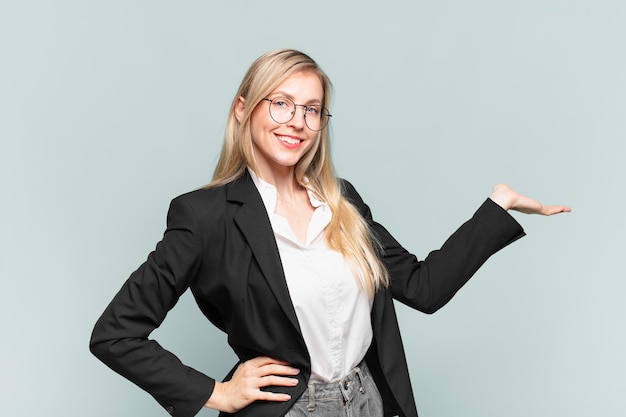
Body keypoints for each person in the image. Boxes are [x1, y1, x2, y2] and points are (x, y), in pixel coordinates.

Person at [90, 48, 570, 417]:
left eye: (312, 109)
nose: (296, 122)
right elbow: (115, 334)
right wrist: (216, 392)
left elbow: (424, 288)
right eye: (281, 104)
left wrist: (497, 206)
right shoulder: (205, 216)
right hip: (288, 409)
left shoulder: (341, 200)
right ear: (243, 109)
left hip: (369, 400)